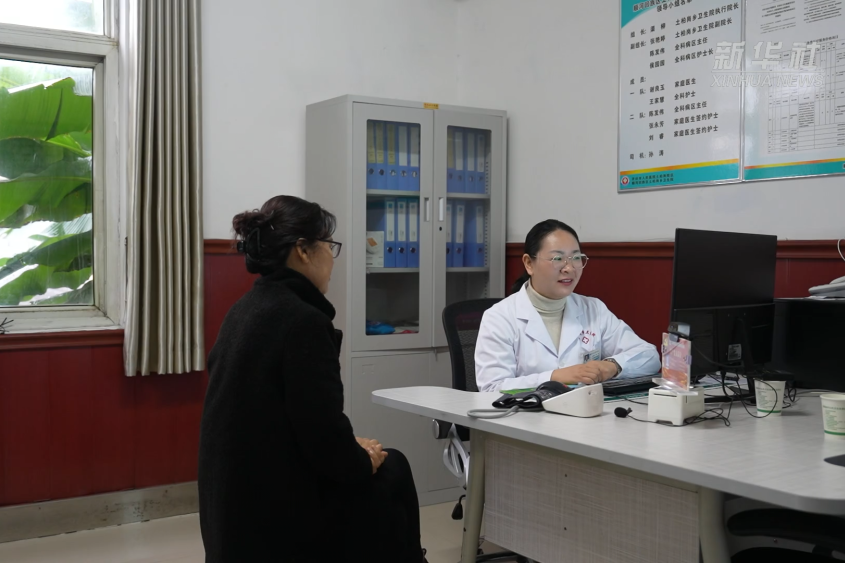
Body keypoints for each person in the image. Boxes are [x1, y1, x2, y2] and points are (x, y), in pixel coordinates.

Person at [198, 195, 426, 563]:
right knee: (393, 467)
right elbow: (323, 439)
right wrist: (361, 458)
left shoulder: (242, 311)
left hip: (231, 518)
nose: (333, 258)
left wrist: (348, 446)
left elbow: (282, 424)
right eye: (329, 245)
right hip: (276, 528)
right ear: (303, 250)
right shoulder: (303, 321)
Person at [476, 219, 660, 393]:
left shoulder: (593, 309)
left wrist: (612, 366)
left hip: (584, 412)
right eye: (557, 258)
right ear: (529, 263)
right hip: (524, 413)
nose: (569, 268)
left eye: (576, 257)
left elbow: (649, 356)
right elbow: (492, 388)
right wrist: (555, 377)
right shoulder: (500, 317)